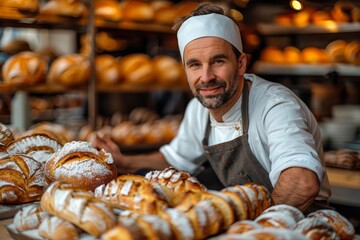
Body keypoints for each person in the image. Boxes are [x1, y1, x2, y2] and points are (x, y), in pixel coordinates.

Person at [91, 3, 331, 214]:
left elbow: (302, 183)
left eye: (218, 61)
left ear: (241, 63)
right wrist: (123, 161)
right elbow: (175, 159)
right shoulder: (199, 109)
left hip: (304, 223)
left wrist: (255, 228)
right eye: (194, 65)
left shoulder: (276, 105)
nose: (206, 77)